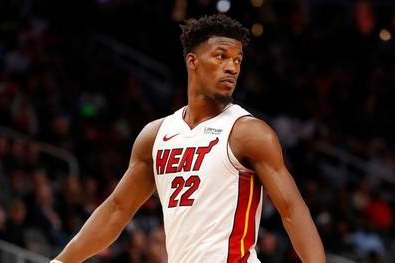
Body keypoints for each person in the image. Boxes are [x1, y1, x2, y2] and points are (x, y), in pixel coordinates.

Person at [51, 14, 325, 263]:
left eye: (237, 60)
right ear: (192, 60)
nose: (232, 67)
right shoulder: (156, 136)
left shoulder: (248, 132)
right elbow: (116, 210)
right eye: (221, 56)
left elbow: (292, 211)